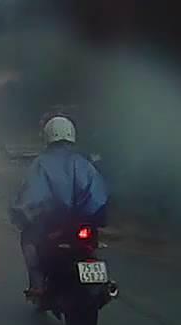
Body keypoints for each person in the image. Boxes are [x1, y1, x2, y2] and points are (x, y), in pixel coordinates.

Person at [9, 115, 109, 296]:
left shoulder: (41, 163)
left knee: (28, 240)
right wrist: (97, 216)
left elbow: (31, 195)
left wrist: (21, 214)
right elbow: (99, 194)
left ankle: (38, 285)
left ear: (47, 135)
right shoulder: (83, 162)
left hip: (52, 224)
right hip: (84, 222)